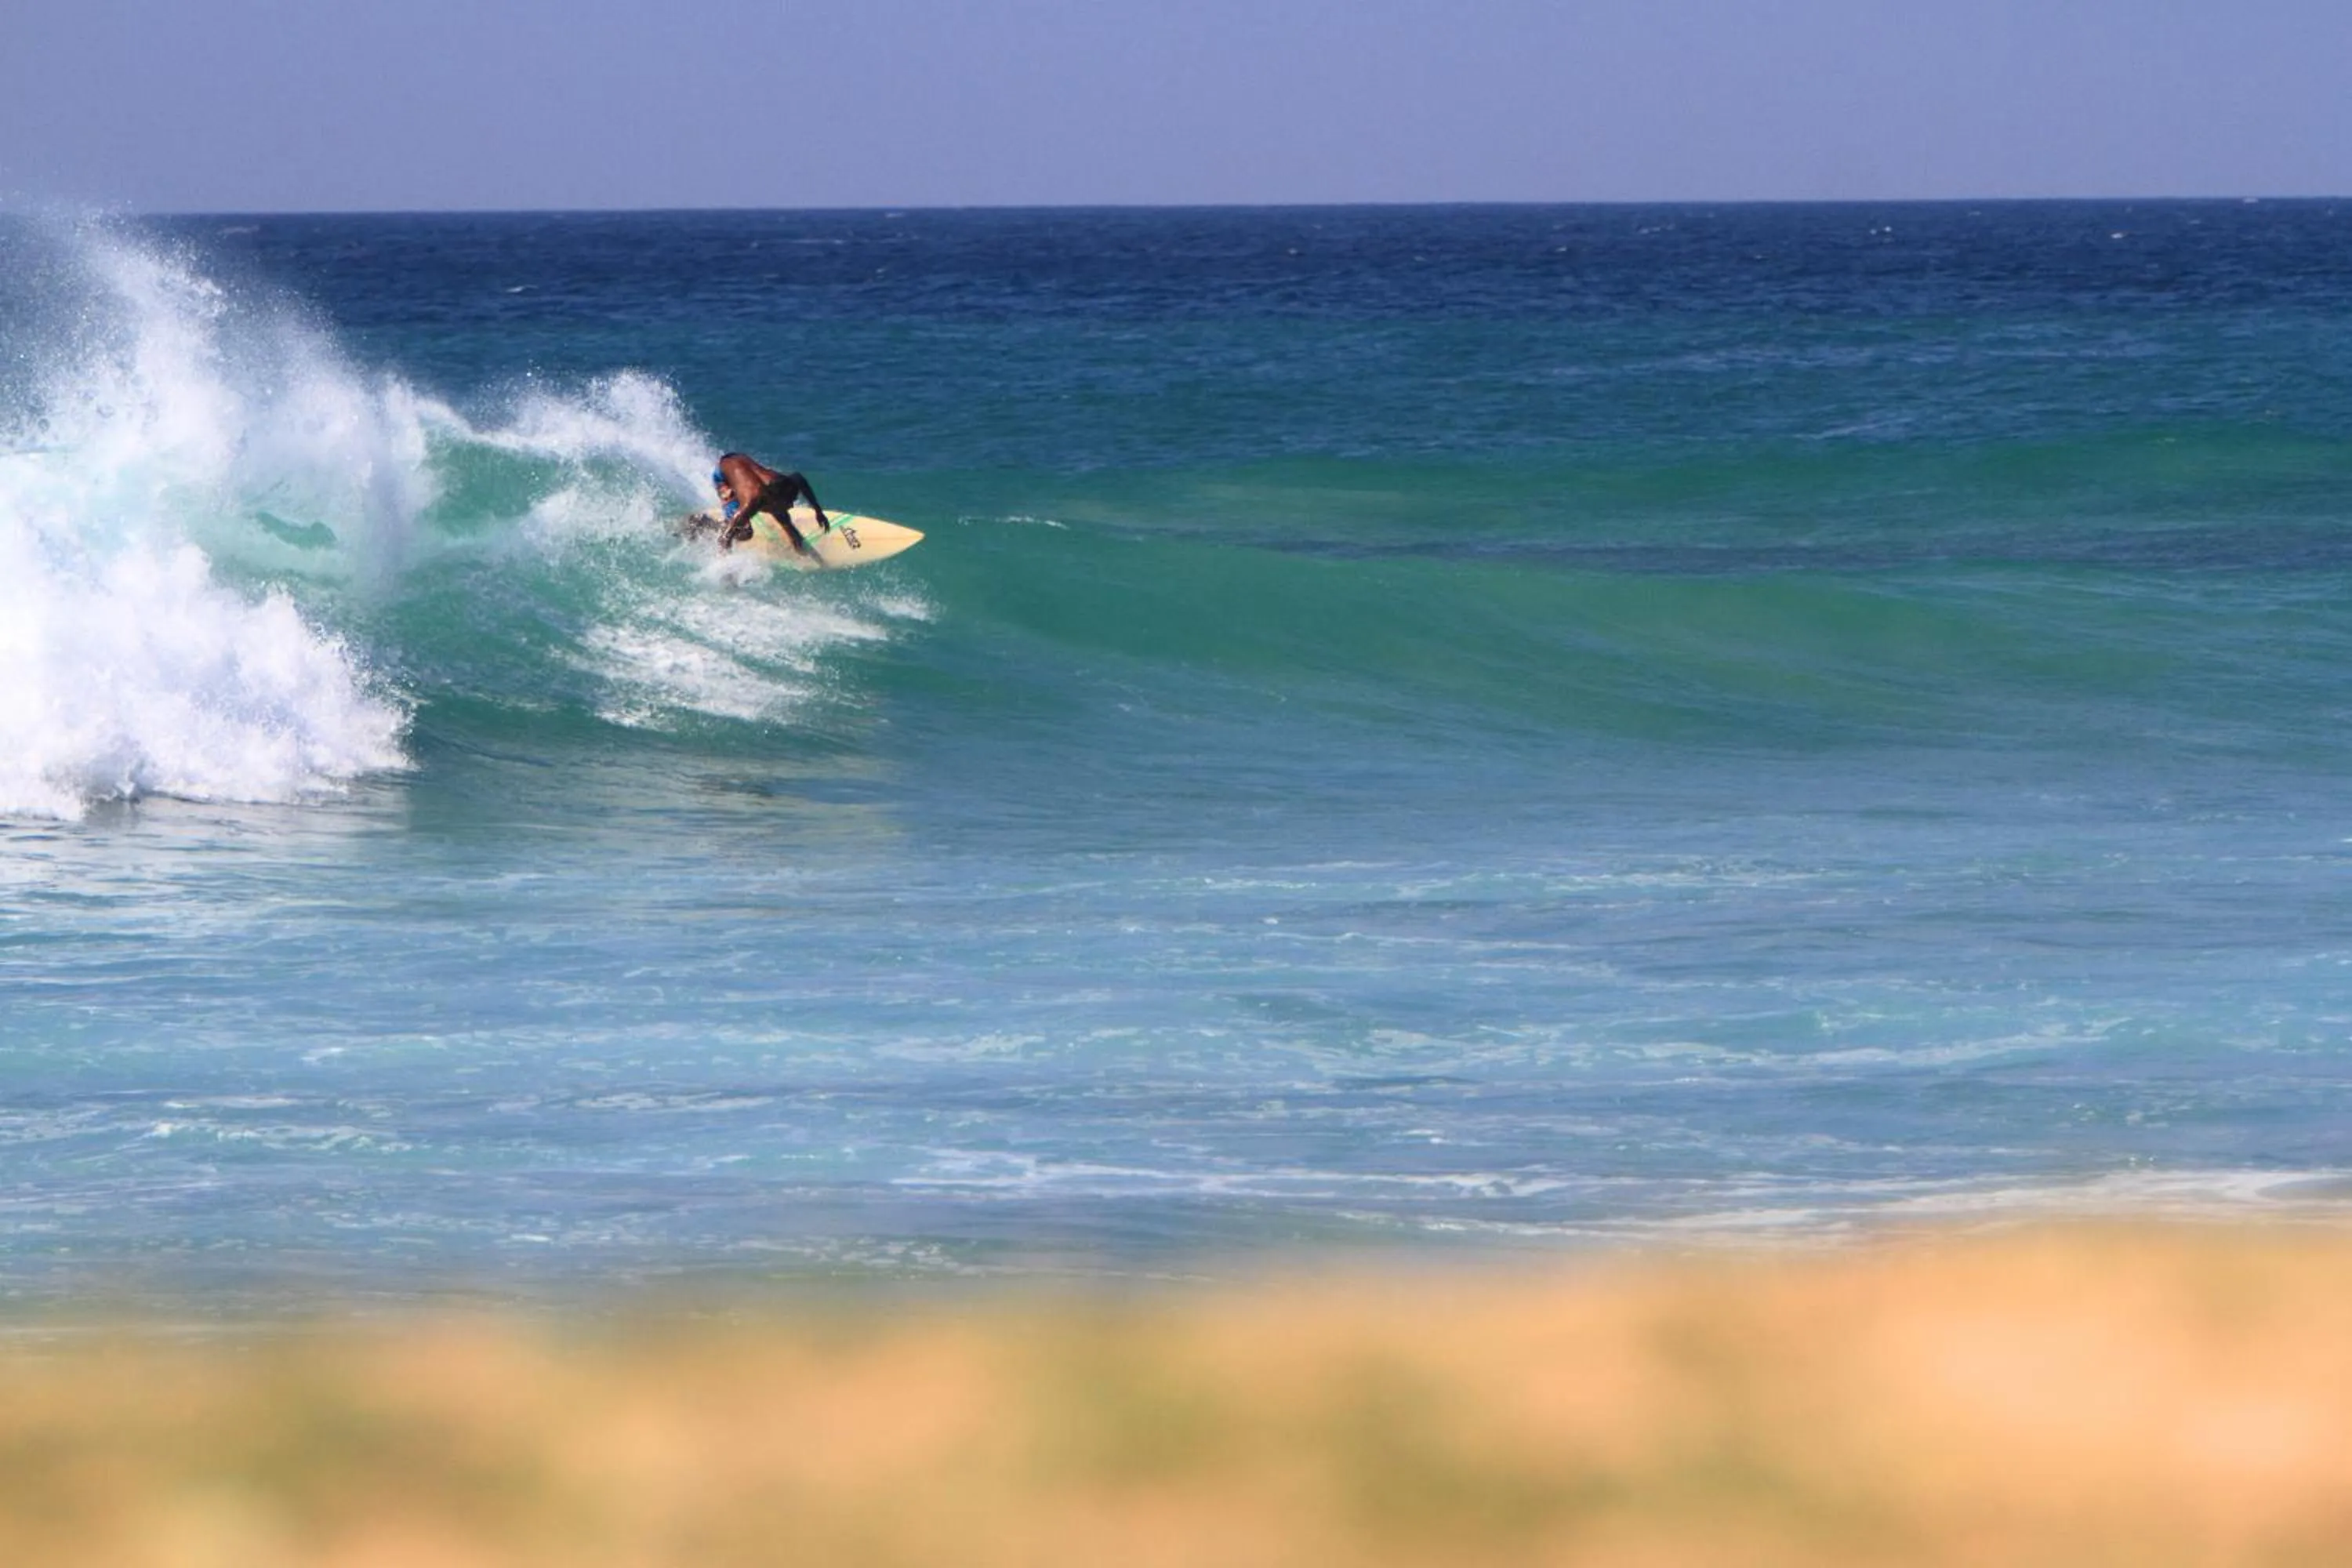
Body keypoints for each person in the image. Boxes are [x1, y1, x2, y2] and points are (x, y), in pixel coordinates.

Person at [708, 453, 830, 557]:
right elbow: (724, 540)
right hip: (723, 475)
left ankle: (796, 541)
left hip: (740, 461)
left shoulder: (781, 482)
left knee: (781, 514)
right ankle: (705, 524)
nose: (792, 505)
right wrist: (727, 571)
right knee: (745, 533)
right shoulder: (752, 503)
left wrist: (818, 511)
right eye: (790, 501)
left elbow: (799, 479)